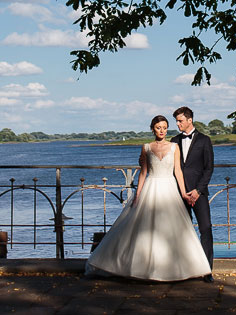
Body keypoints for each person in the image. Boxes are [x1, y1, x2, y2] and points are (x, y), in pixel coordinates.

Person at [85, 115, 211, 281]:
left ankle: (184, 268)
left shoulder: (174, 146)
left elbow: (178, 172)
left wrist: (182, 193)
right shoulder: (146, 147)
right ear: (153, 128)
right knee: (146, 229)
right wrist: (138, 194)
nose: (162, 131)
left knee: (174, 229)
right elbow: (143, 172)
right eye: (159, 127)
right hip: (151, 188)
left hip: (169, 189)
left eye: (165, 127)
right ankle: (143, 267)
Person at [173, 105, 214, 281]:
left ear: (190, 120)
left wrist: (197, 191)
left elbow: (209, 168)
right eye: (176, 121)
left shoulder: (205, 140)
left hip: (199, 193)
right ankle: (184, 268)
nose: (177, 124)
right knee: (182, 231)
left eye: (180, 120)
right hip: (178, 193)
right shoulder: (174, 140)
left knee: (205, 228)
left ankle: (207, 270)